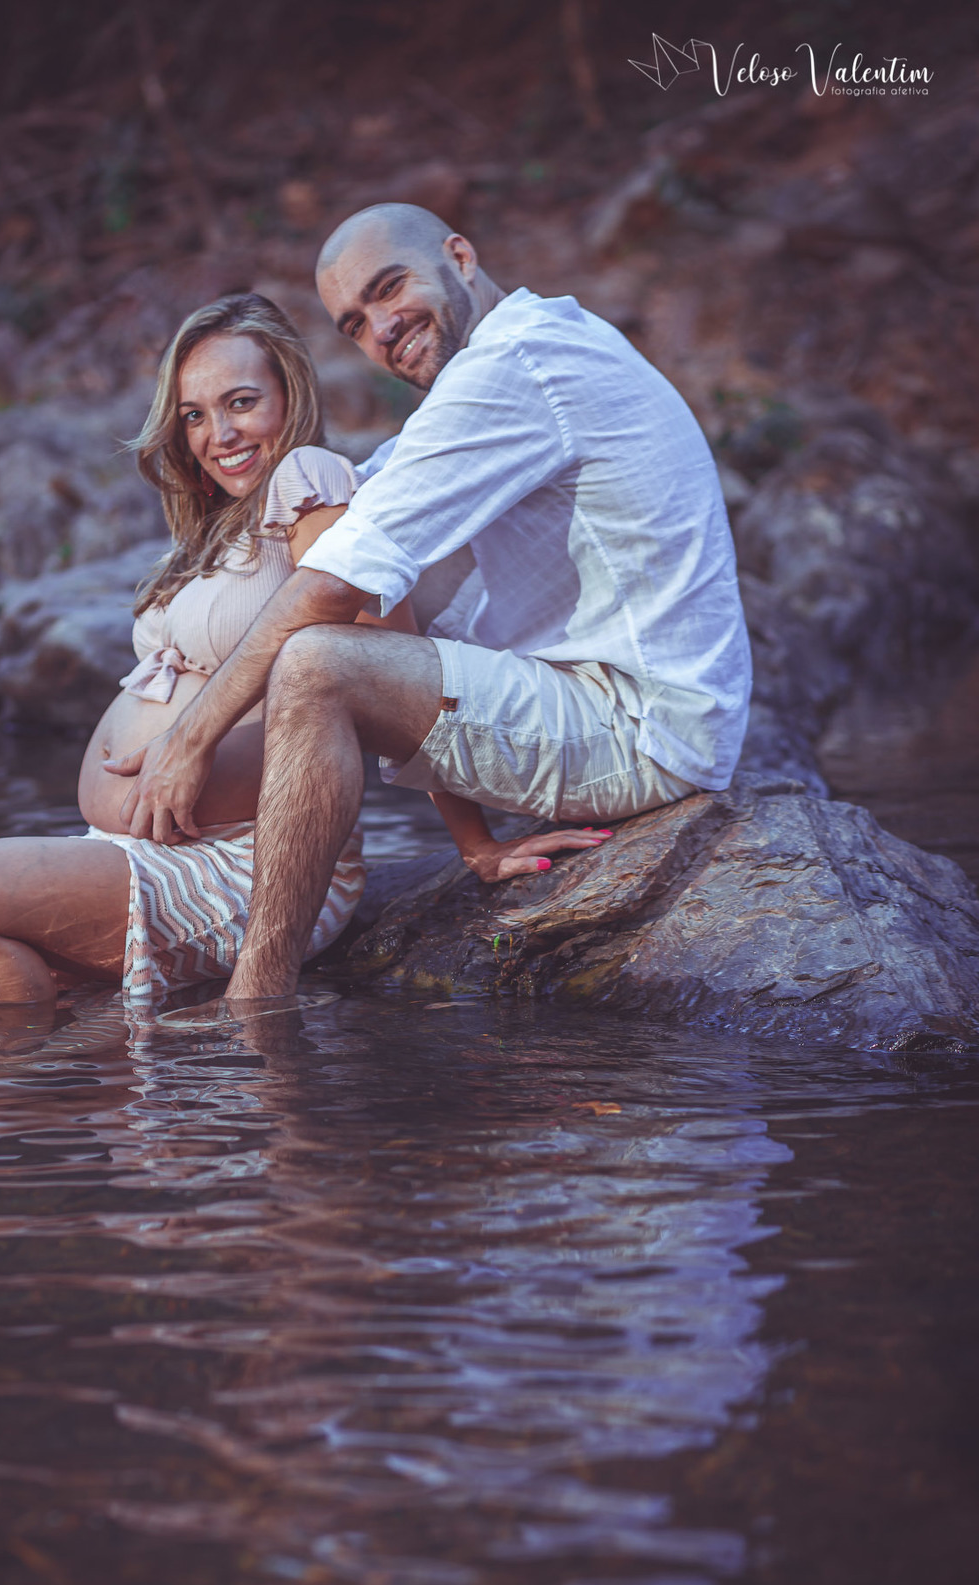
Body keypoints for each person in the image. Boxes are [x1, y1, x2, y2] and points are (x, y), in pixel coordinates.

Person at [104, 204, 752, 1004]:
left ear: (461, 257)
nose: (381, 329)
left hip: (644, 728)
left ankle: (256, 1004)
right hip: (610, 699)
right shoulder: (522, 354)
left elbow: (336, 580)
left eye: (390, 288)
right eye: (354, 323)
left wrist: (190, 738)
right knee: (373, 570)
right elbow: (370, 515)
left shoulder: (519, 364)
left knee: (317, 663)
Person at [0, 293, 383, 1005]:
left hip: (257, 862)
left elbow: (380, 658)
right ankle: (35, 1076)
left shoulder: (307, 476)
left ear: (291, 395)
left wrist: (470, 838)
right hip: (150, 847)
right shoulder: (218, 525)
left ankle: (21, 1075)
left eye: (241, 402)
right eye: (194, 415)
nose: (218, 433)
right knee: (4, 983)